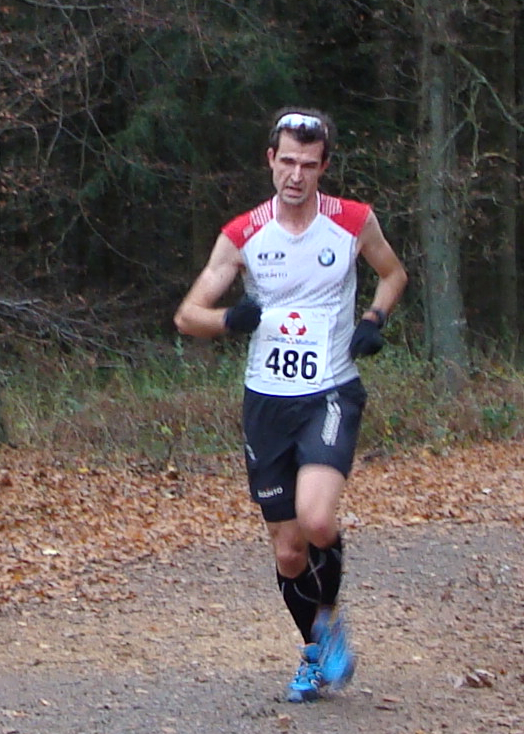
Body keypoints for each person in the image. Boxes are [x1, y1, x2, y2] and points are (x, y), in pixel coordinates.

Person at [174, 108, 407, 702]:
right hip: (267, 403)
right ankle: (317, 646)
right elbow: (188, 316)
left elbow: (393, 274)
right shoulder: (243, 233)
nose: (295, 175)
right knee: (288, 549)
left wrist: (374, 318)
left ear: (323, 166)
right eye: (287, 162)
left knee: (317, 519)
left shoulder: (352, 221)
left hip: (330, 390)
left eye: (308, 164)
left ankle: (327, 619)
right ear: (270, 161)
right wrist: (231, 319)